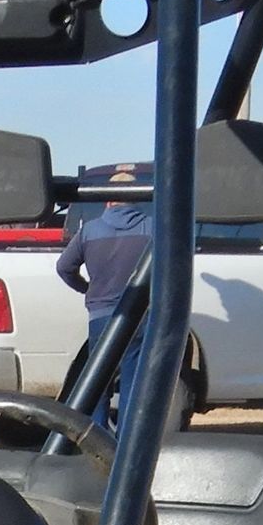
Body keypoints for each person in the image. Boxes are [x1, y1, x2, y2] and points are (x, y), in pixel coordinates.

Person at [55, 164, 152, 424]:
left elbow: (64, 268)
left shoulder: (89, 231)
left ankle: (96, 442)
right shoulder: (152, 228)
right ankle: (126, 444)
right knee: (134, 382)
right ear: (139, 196)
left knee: (97, 382)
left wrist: (86, 288)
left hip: (99, 315)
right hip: (139, 317)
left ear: (107, 197)